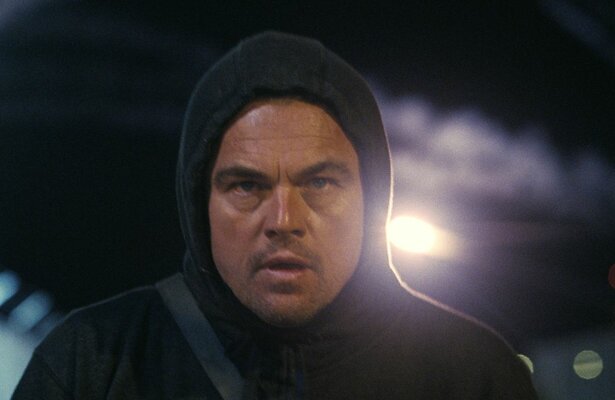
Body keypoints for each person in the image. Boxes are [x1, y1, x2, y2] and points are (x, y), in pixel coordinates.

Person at [12, 31, 538, 399]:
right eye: (247, 186)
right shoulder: (92, 362)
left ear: (372, 197)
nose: (284, 219)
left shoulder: (474, 375)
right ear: (198, 203)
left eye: (320, 183)